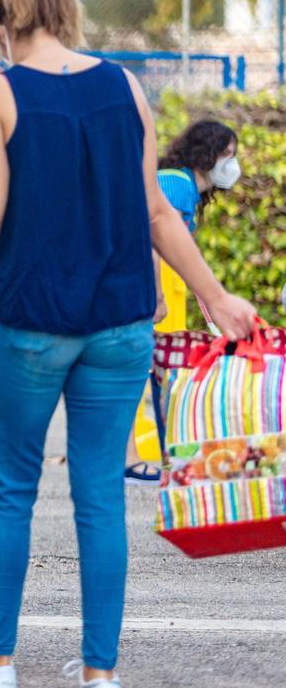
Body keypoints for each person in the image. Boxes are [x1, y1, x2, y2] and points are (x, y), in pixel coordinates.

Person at [0, 0, 256, 688]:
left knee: (13, 491)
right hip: (121, 326)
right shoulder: (125, 87)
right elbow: (156, 210)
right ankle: (101, 679)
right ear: (63, 5)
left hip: (32, 325)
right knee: (100, 497)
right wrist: (214, 294)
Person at [125, 120, 240, 484]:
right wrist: (156, 295)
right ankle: (128, 459)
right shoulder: (175, 183)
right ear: (206, 154)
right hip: (137, 289)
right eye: (227, 155)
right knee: (134, 375)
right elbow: (152, 243)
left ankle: (155, 457)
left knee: (144, 373)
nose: (232, 165)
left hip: (141, 287)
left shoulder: (185, 188)